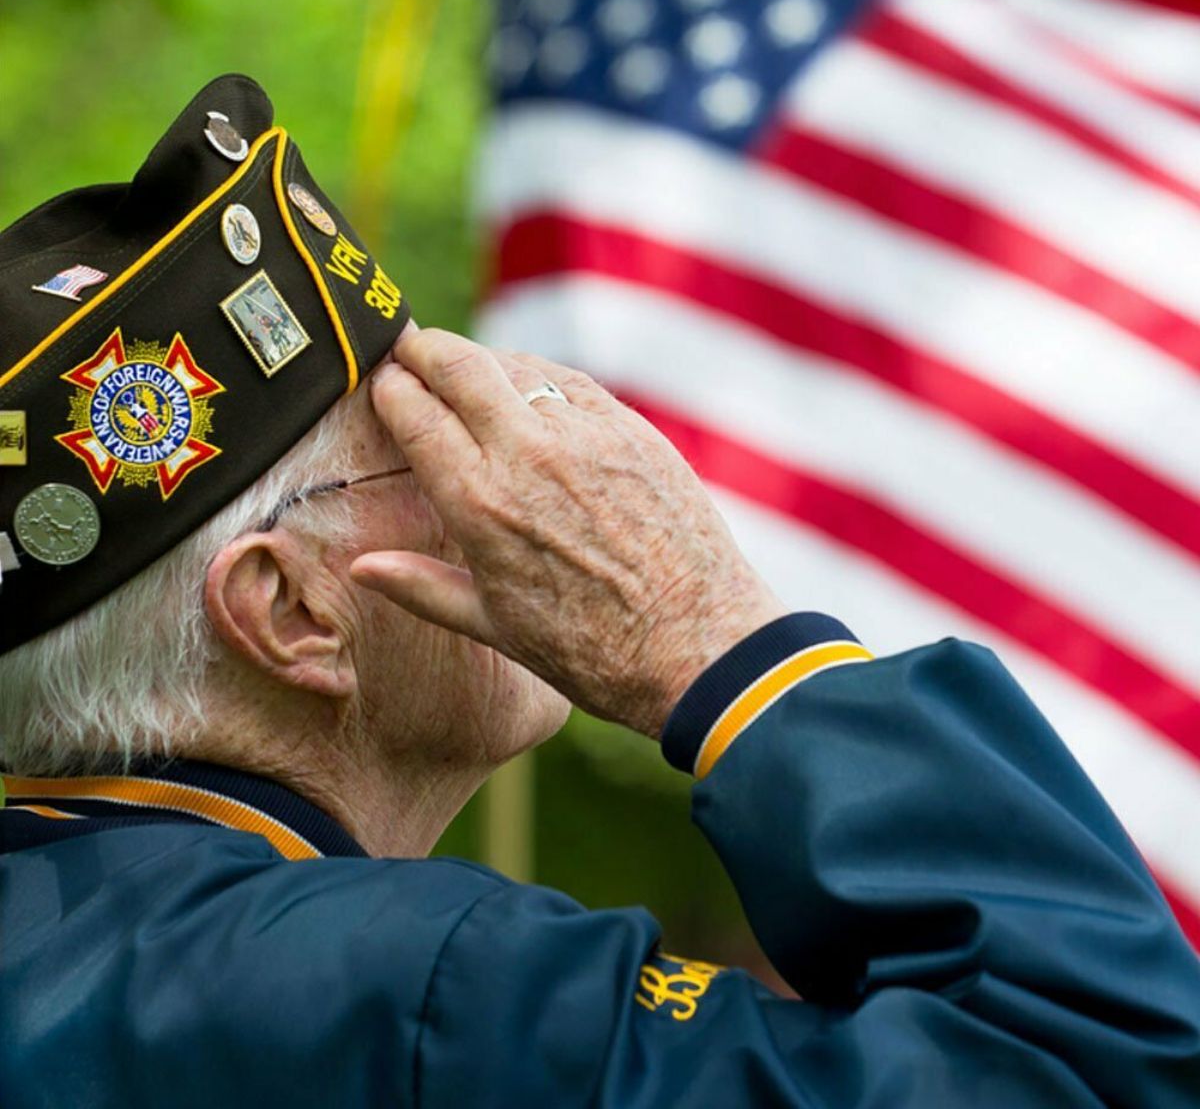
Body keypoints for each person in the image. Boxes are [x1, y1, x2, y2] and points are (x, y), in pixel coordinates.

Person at [0, 77, 1197, 1108]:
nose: (531, 472)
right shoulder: (413, 994)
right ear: (291, 613)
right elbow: (1102, 1067)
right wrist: (714, 641)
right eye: (428, 439)